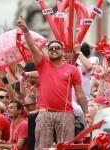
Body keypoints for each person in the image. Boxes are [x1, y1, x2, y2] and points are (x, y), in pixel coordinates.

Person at [16, 16, 91, 149]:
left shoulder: (72, 69)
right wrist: (26, 31)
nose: (54, 50)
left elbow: (80, 95)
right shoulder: (43, 64)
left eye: (57, 48)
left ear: (62, 51)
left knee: (65, 147)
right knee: (42, 147)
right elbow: (33, 47)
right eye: (51, 48)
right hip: (45, 114)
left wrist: (86, 114)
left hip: (66, 114)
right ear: (48, 52)